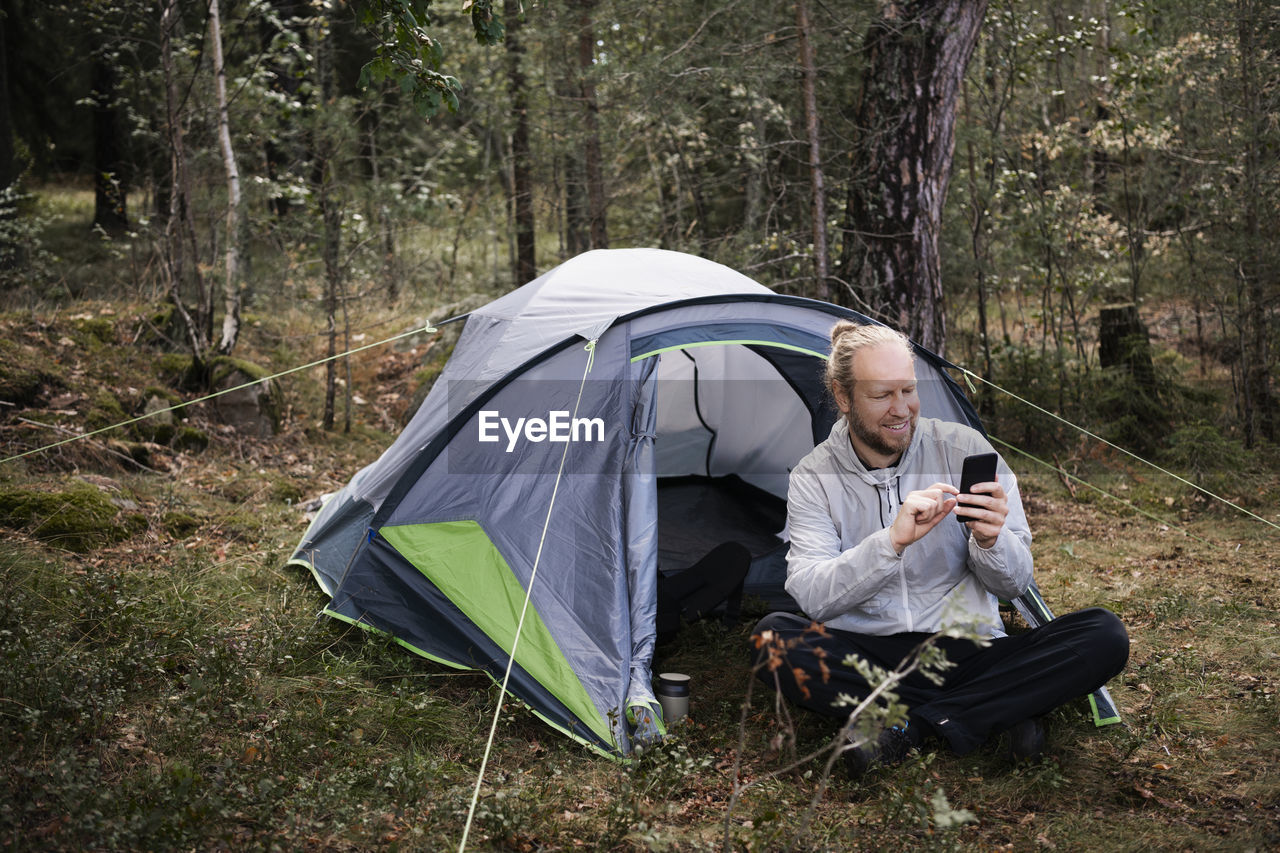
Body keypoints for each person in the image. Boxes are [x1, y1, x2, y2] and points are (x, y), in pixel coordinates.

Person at [751, 321, 1128, 775]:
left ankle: (909, 729)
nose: (901, 409)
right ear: (844, 397)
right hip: (868, 652)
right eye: (882, 395)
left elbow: (1015, 581)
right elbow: (812, 596)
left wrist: (991, 540)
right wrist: (891, 542)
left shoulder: (963, 449)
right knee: (771, 636)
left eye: (908, 390)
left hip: (969, 649)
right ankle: (997, 709)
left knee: (1104, 633)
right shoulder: (813, 477)